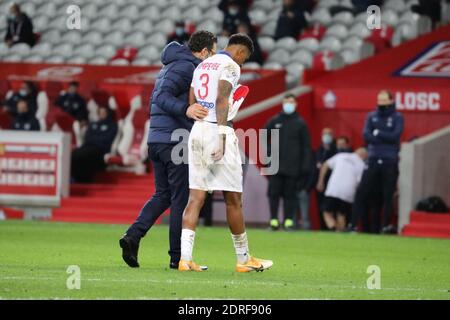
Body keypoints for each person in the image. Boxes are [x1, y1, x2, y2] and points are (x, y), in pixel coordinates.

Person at [119, 31, 218, 270]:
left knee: (163, 195)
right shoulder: (187, 67)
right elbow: (161, 97)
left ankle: (133, 236)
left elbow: (157, 97)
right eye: (213, 52)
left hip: (158, 138)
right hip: (174, 141)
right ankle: (177, 257)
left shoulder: (172, 65)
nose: (213, 58)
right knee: (180, 200)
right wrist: (186, 109)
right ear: (203, 51)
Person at [179, 34, 273, 272]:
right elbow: (222, 99)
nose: (242, 64)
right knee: (233, 199)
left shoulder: (202, 64)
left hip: (197, 130)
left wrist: (191, 111)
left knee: (195, 198)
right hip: (217, 132)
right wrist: (221, 136)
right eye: (245, 60)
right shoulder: (230, 65)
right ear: (240, 52)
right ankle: (243, 260)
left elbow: (192, 100)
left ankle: (185, 259)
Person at [350, 90, 404, 234]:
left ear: (391, 101)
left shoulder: (397, 117)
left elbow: (395, 136)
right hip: (373, 159)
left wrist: (378, 133)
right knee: (362, 192)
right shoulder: (371, 116)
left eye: (384, 100)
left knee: (387, 195)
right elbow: (366, 135)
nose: (381, 102)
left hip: (389, 160)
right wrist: (382, 136)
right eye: (379, 99)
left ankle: (385, 226)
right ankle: (352, 225)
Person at [265, 94, 312, 231]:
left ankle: (288, 222)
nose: (289, 105)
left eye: (291, 102)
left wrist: (304, 166)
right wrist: (268, 154)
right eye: (286, 102)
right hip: (275, 165)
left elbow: (306, 147)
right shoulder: (275, 121)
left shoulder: (300, 123)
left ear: (296, 104)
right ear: (282, 104)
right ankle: (273, 221)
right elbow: (263, 137)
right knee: (274, 194)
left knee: (289, 196)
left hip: (293, 167)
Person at [317, 148, 368, 231]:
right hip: (349, 193)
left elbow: (325, 165)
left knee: (326, 212)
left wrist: (320, 181)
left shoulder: (341, 156)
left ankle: (333, 227)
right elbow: (360, 183)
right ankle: (340, 234)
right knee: (341, 214)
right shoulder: (361, 165)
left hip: (333, 189)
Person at [71, 106, 118, 183]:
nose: (102, 114)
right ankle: (76, 179)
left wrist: (95, 138)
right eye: (100, 112)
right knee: (74, 154)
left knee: (82, 156)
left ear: (108, 113)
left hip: (100, 149)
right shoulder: (93, 124)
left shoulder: (112, 125)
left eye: (104, 112)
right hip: (88, 146)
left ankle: (83, 180)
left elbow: (107, 139)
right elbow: (88, 137)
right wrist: (97, 137)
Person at [314, 127, 337, 230]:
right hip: (320, 183)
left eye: (328, 134)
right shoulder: (319, 150)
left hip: (332, 183)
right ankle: (323, 227)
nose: (326, 136)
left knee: (331, 207)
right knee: (321, 207)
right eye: (324, 134)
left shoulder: (335, 150)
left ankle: (333, 228)